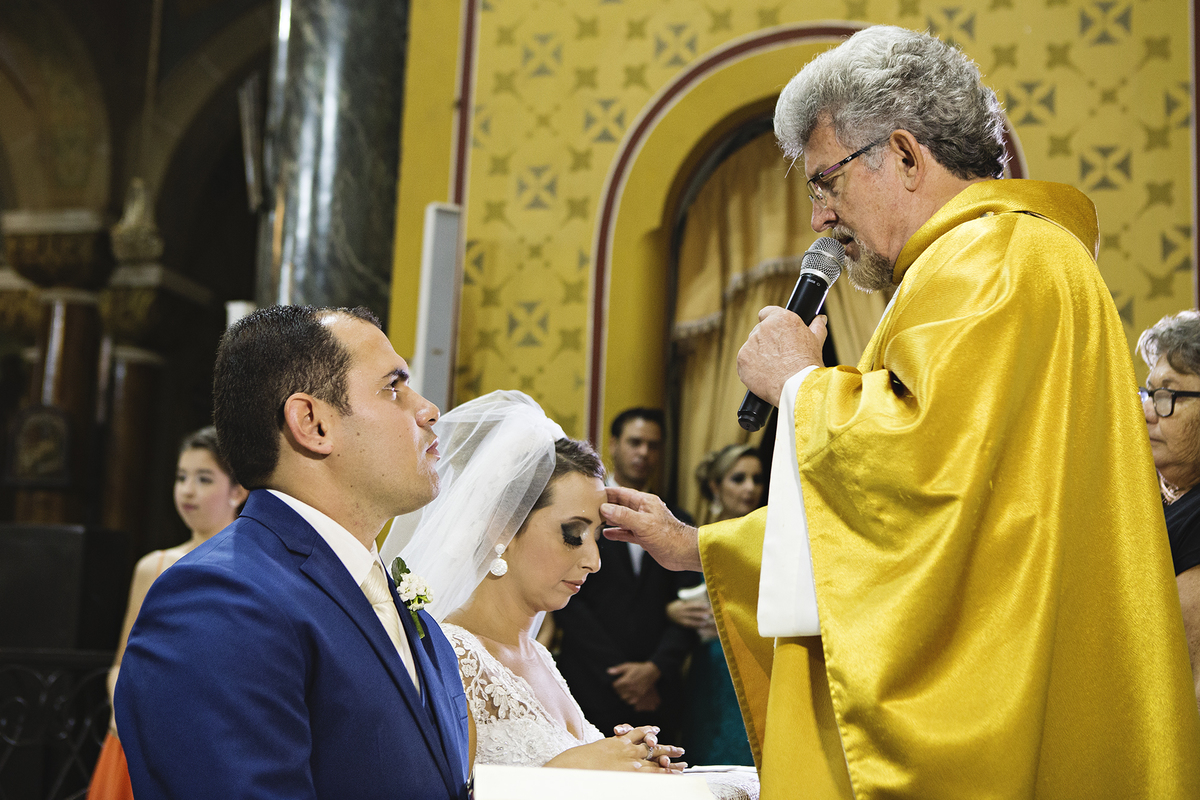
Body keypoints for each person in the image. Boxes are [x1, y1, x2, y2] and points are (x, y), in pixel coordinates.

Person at [601, 25, 1200, 799]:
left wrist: (799, 385)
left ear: (907, 156)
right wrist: (701, 546)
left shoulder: (989, 262)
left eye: (826, 183)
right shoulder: (996, 260)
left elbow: (923, 474)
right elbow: (941, 516)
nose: (819, 218)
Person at [114, 305, 471, 800]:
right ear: (312, 422)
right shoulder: (221, 600)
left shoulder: (395, 600)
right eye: (394, 386)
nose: (429, 409)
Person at [383, 391, 758, 799]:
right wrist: (573, 770)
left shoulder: (540, 657)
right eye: (572, 534)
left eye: (596, 536)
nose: (594, 561)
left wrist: (629, 762)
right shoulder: (451, 654)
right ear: (503, 526)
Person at [88, 426, 247, 800]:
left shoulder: (251, 570)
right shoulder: (154, 567)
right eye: (181, 477)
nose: (187, 490)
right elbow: (120, 664)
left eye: (204, 479)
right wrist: (122, 705)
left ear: (238, 490)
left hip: (210, 746)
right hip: (140, 734)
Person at [553, 407, 699, 738]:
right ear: (614, 444)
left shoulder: (678, 521)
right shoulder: (582, 512)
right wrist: (622, 678)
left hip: (660, 690)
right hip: (590, 682)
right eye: (635, 442)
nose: (644, 453)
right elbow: (570, 606)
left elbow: (691, 607)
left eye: (653, 445)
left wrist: (655, 669)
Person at [667, 444, 763, 767]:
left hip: (759, 658)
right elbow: (656, 597)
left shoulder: (771, 538)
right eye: (739, 478)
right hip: (710, 667)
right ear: (715, 486)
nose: (750, 487)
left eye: (756, 478)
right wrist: (669, 611)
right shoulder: (693, 538)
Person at [1137, 310, 1200, 711]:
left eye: (1168, 396)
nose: (1147, 411)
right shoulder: (1146, 493)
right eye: (1148, 393)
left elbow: (1188, 678)